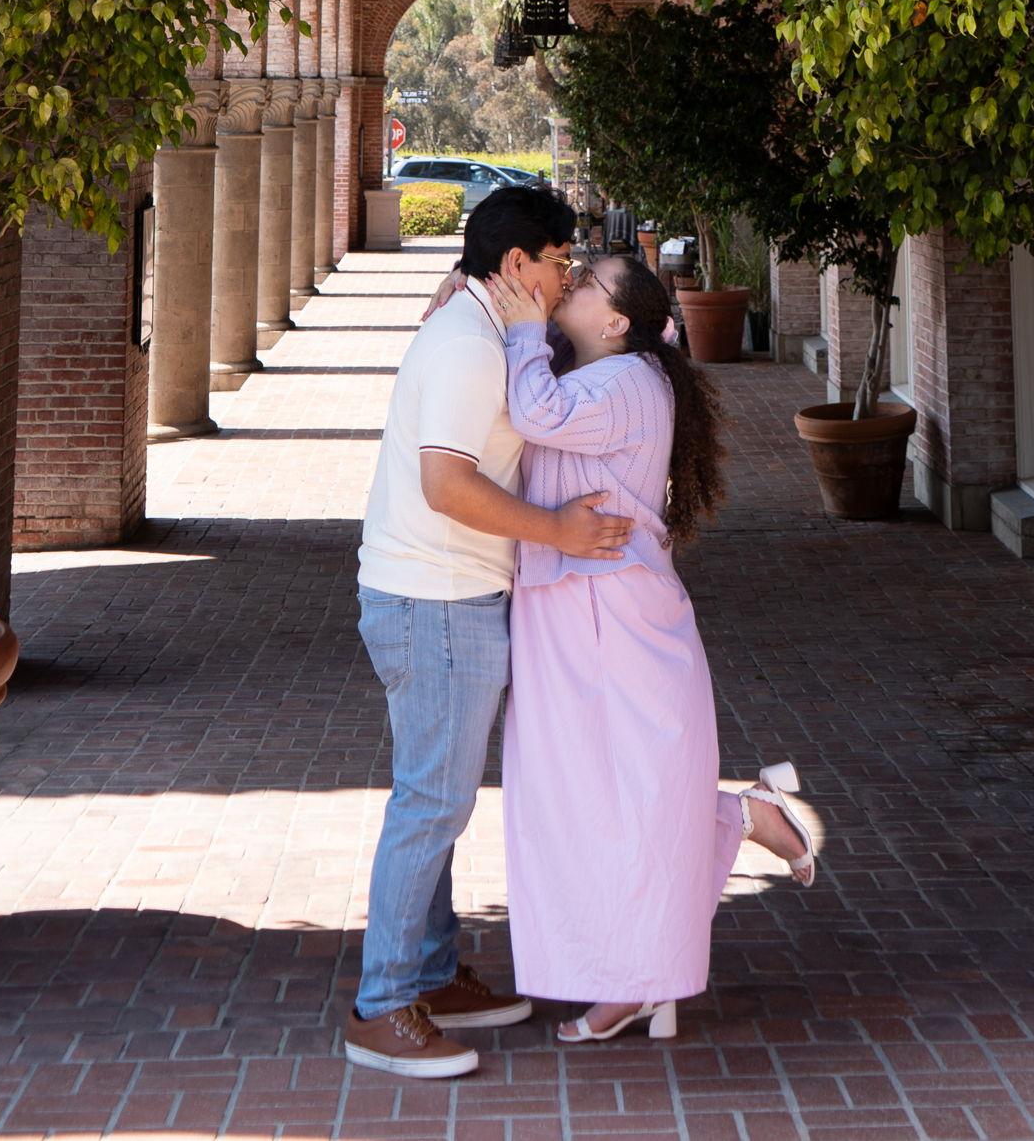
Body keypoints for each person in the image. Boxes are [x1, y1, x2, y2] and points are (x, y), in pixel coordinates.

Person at [487, 253, 820, 1044]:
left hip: (613, 608)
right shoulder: (600, 369)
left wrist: (524, 329)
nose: (571, 283)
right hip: (568, 605)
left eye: (588, 283)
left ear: (615, 322)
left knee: (626, 794)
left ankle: (636, 979)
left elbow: (536, 415)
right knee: (578, 796)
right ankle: (736, 823)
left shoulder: (629, 381)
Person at [346, 187, 637, 1080]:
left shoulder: (480, 326)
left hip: (441, 596)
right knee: (431, 802)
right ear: (517, 264)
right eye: (559, 261)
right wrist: (558, 532)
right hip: (434, 600)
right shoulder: (469, 347)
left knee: (434, 795)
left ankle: (431, 973)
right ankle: (383, 1006)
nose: (568, 277)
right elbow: (445, 484)